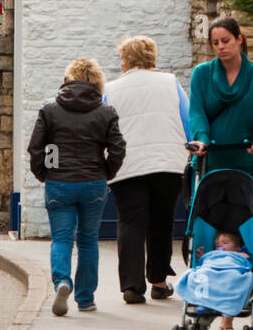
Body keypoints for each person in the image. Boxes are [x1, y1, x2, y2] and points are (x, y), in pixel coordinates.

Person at [28, 57, 127, 317]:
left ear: (67, 80)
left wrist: (45, 174)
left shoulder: (50, 109)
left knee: (62, 238)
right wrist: (106, 173)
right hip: (93, 183)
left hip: (59, 182)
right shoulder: (106, 112)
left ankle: (62, 282)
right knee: (88, 240)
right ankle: (85, 298)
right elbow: (118, 148)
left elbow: (36, 147)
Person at [103, 36, 189, 304]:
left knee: (130, 222)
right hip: (167, 163)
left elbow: (104, 128)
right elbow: (188, 121)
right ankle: (159, 282)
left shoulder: (111, 89)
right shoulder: (171, 83)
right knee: (161, 222)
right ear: (152, 57)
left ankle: (131, 285)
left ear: (126, 61)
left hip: (127, 166)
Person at [189, 17, 253, 174]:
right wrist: (202, 139)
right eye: (215, 43)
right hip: (211, 160)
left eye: (225, 40)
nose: (221, 47)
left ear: (238, 39)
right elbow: (197, 112)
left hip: (247, 160)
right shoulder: (201, 74)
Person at [177, 230, 253, 330]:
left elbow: (246, 263)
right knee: (202, 273)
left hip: (231, 270)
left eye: (225, 243)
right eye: (217, 244)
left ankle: (226, 311)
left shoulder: (240, 254)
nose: (220, 245)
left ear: (237, 247)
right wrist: (201, 256)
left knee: (235, 276)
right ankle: (203, 303)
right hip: (211, 269)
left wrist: (240, 255)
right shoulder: (212, 254)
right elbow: (204, 263)